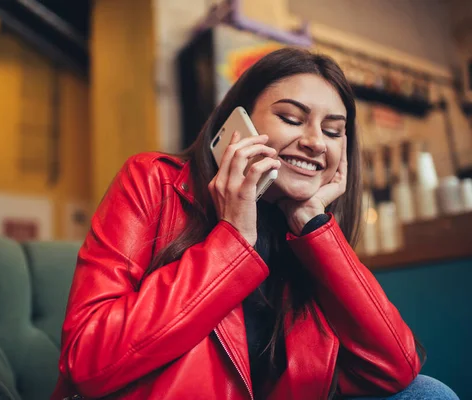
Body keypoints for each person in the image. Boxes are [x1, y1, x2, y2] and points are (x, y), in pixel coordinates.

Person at [51, 48, 458, 400]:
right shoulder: (153, 181)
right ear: (236, 126)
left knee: (428, 392)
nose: (316, 142)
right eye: (292, 119)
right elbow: (87, 360)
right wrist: (232, 240)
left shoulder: (306, 236)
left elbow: (395, 366)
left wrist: (313, 225)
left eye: (333, 131)